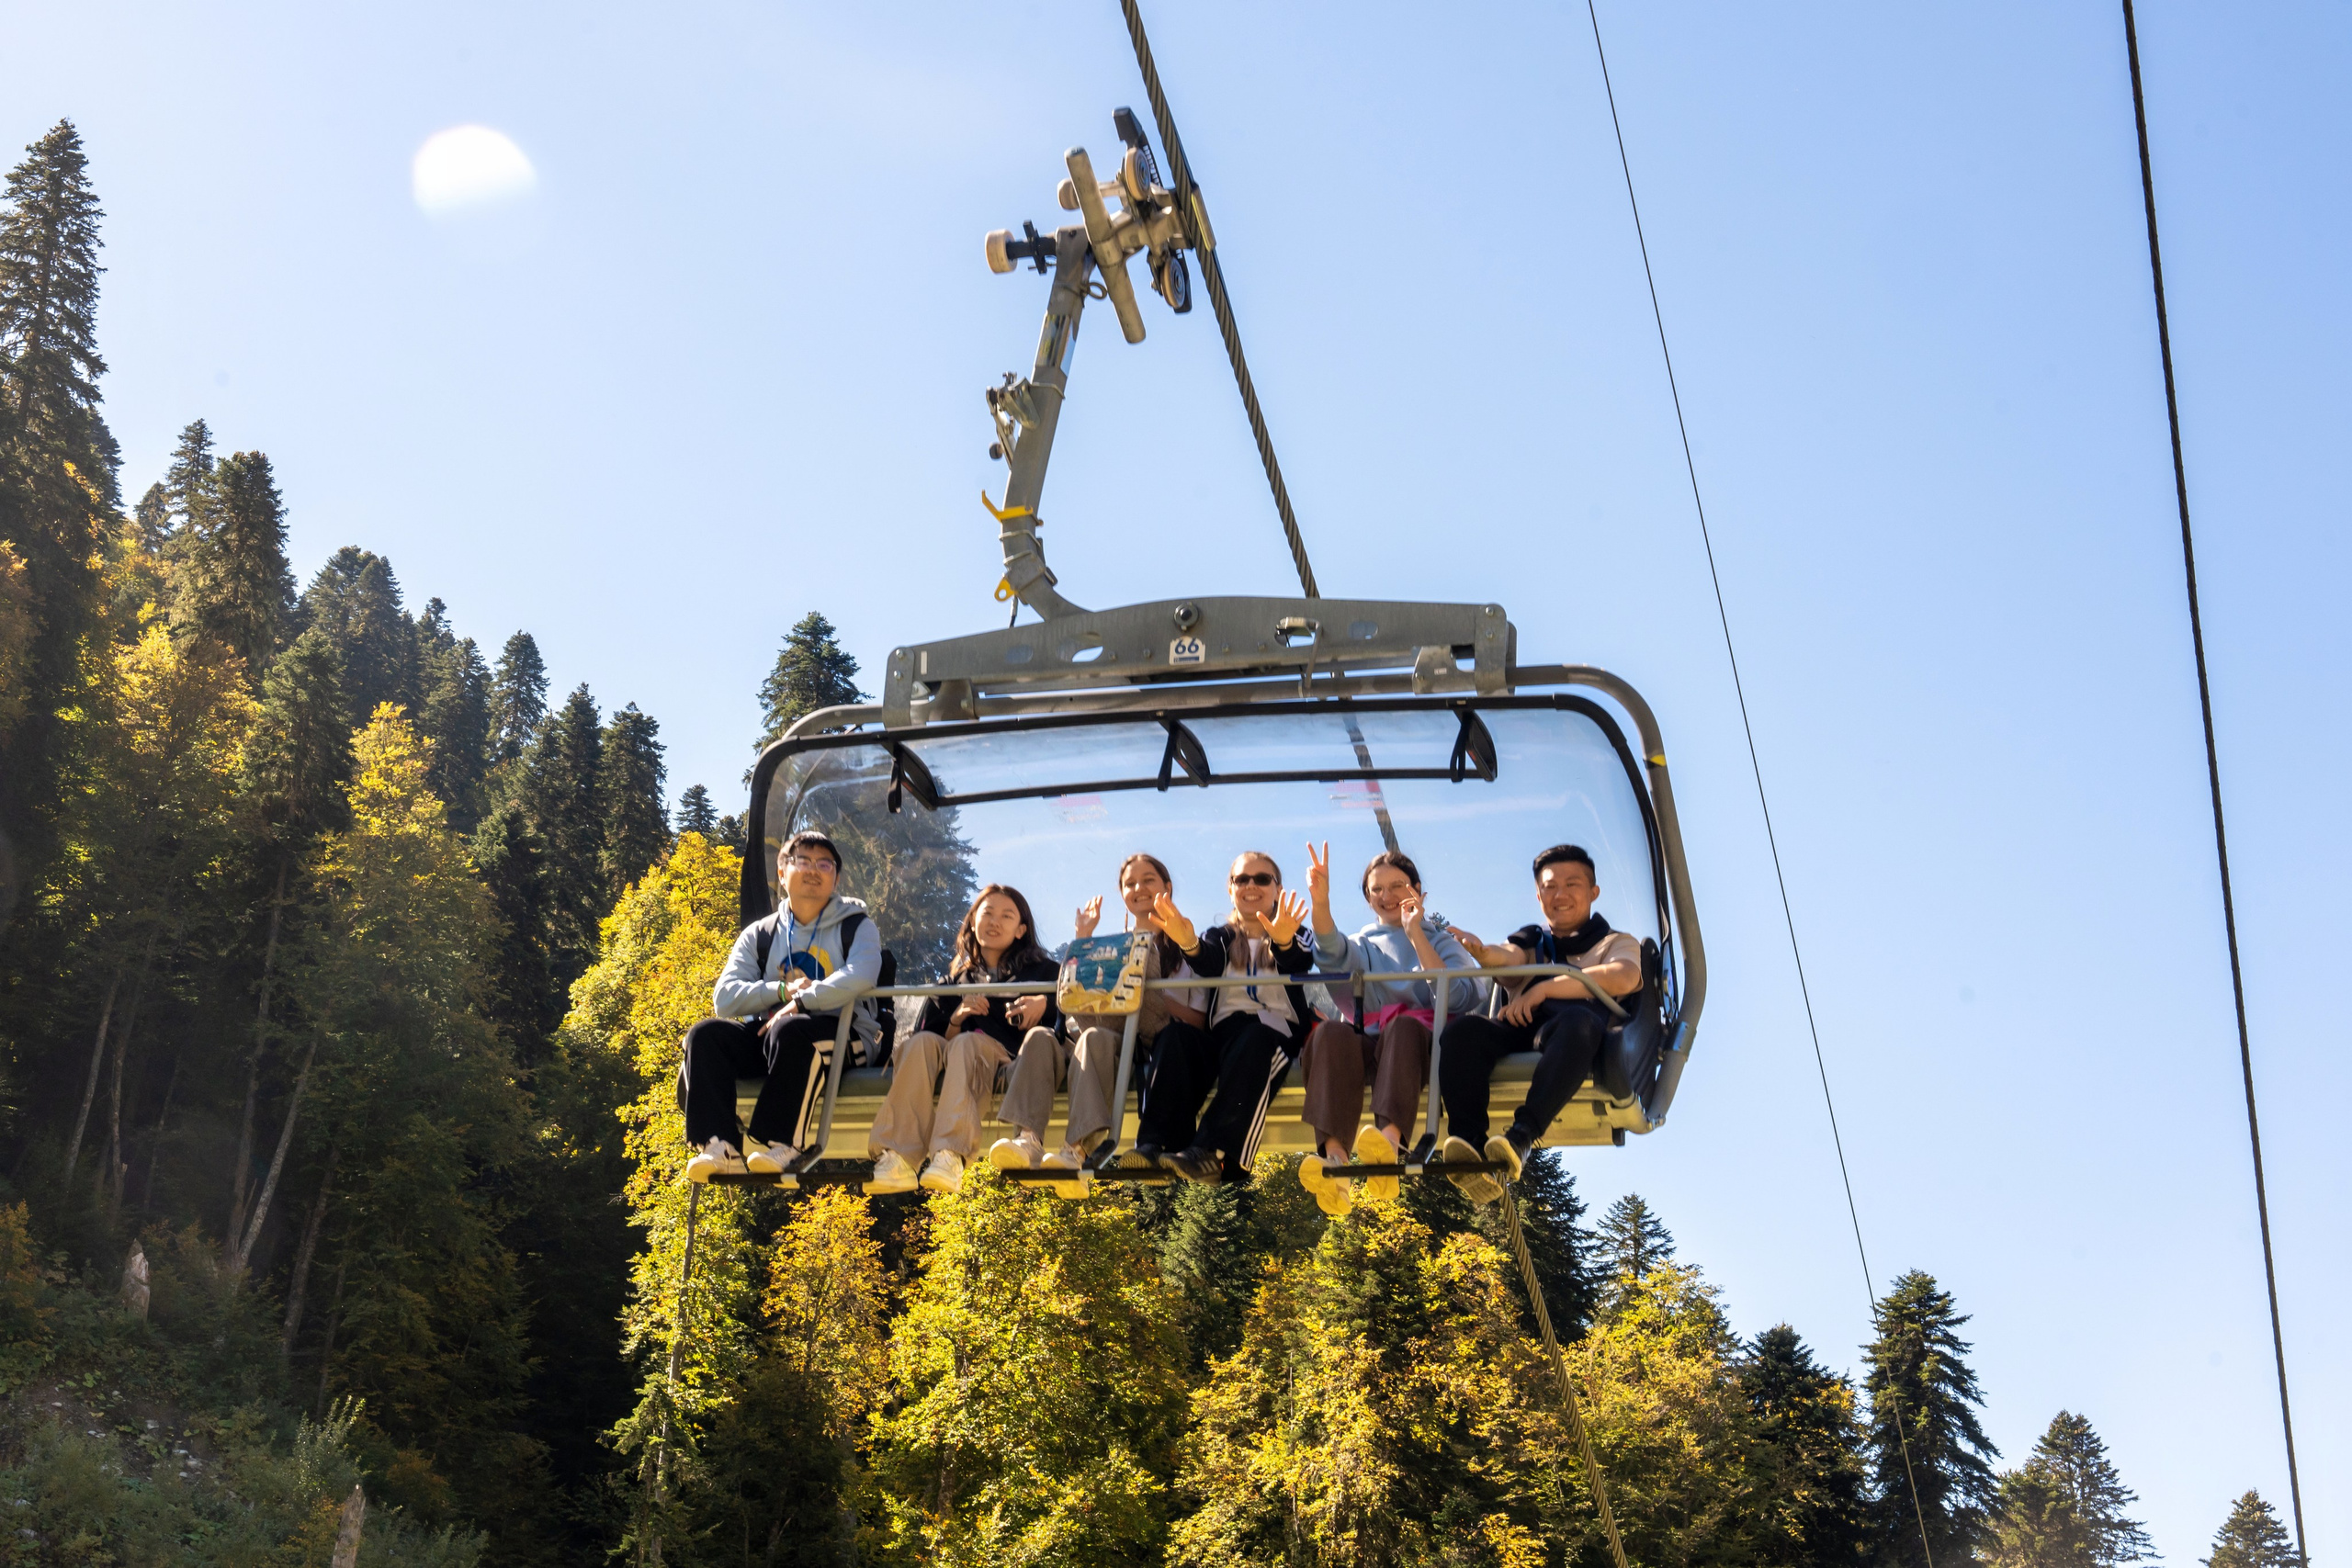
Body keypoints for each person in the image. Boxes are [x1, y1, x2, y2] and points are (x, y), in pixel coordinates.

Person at [989, 852, 1209, 1197]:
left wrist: (1145, 990)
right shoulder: (1108, 948)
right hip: (1098, 1034)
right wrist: (1082, 943)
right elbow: (1074, 1003)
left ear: (1166, 887)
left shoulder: (1185, 947)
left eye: (1148, 880)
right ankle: (1027, 1138)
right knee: (1041, 1037)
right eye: (1130, 883)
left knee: (1094, 1039)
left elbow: (1198, 1019)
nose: (1139, 888)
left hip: (1142, 1046)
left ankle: (1076, 1150)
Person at [1434, 843, 1644, 1204]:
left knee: (1579, 1021)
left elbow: (1623, 976)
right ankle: (1468, 1142)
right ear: (1538, 895)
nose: (1560, 894)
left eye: (1572, 884)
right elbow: (1508, 955)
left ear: (1593, 892)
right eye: (1550, 886)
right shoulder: (1533, 939)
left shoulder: (1615, 942)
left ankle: (1522, 1136)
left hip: (1571, 1035)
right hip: (1521, 1028)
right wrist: (1484, 953)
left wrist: (1546, 988)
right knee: (1462, 1033)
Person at [682, 831, 882, 1182]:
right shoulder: (761, 934)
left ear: (836, 877)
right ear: (782, 871)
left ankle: (785, 1143)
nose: (813, 871)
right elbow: (725, 997)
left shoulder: (856, 926)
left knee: (792, 1030)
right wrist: (780, 990)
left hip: (843, 1036)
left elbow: (862, 975)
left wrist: (806, 999)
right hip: (772, 1038)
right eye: (803, 861)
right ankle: (720, 1145)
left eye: (825, 864)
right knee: (706, 1035)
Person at [1295, 843, 1484, 1215]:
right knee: (1331, 1033)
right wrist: (1321, 904)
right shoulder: (1365, 944)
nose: (1386, 897)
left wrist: (1417, 934)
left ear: (1416, 890)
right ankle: (1336, 1161)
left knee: (1403, 1027)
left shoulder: (1441, 941)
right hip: (1374, 1040)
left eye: (1396, 887)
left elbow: (1461, 996)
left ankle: (1389, 1143)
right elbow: (1334, 955)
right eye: (1376, 890)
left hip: (1423, 1041)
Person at [1140, 850, 1317, 1185]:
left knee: (1253, 1036)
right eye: (1242, 879)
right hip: (1222, 1037)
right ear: (1230, 887)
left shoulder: (1296, 931)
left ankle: (1214, 1152)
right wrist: (1188, 942)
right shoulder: (1220, 936)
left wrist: (1282, 941)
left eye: (1262, 879)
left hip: (1271, 1034)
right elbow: (1206, 961)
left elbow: (1299, 962)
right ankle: (1158, 1146)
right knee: (1173, 1037)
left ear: (1277, 889)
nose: (1251, 886)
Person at [870, 885, 1059, 1195]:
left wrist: (1045, 1003)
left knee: (967, 1043)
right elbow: (927, 1033)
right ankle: (898, 1157)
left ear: (1021, 930)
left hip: (1011, 1061)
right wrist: (958, 1017)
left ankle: (950, 1154)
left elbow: (1071, 1015)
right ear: (973, 921)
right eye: (987, 913)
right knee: (918, 1045)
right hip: (959, 1058)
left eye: (1006, 916)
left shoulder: (1044, 973)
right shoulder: (954, 981)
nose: (994, 922)